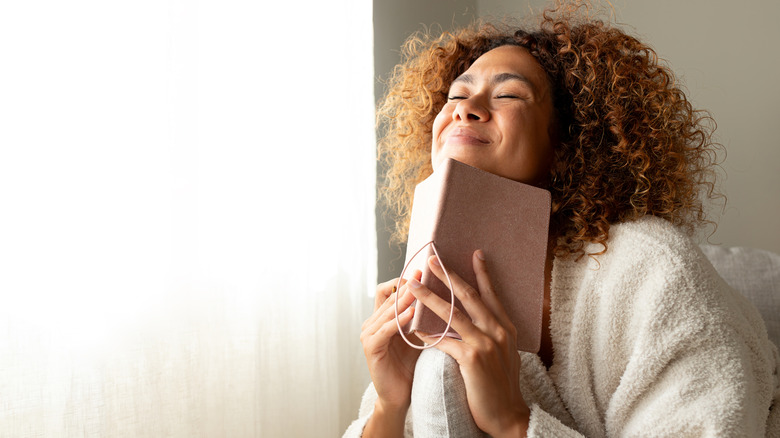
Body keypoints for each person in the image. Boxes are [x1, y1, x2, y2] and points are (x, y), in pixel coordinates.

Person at [345, 2, 780, 436]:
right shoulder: (432, 270)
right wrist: (388, 406)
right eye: (455, 95)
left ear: (569, 141)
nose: (465, 108)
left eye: (508, 94)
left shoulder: (652, 268)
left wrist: (514, 422)